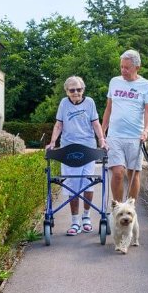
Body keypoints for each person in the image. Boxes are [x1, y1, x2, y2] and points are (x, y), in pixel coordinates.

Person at [46, 76, 107, 236]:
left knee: (88, 182)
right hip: (68, 148)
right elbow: (59, 124)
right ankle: (75, 221)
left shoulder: (90, 102)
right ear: (67, 91)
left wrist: (102, 140)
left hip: (87, 147)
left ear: (83, 90)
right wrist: (52, 143)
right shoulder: (63, 103)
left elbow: (96, 123)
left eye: (79, 89)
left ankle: (86, 218)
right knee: (72, 184)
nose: (76, 93)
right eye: (72, 90)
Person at [102, 49, 148, 204]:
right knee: (117, 173)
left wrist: (146, 131)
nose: (123, 70)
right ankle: (117, 210)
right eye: (121, 67)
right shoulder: (114, 82)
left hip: (135, 137)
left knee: (132, 174)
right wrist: (102, 131)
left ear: (137, 67)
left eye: (127, 67)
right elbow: (108, 108)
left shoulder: (146, 86)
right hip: (115, 136)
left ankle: (130, 210)